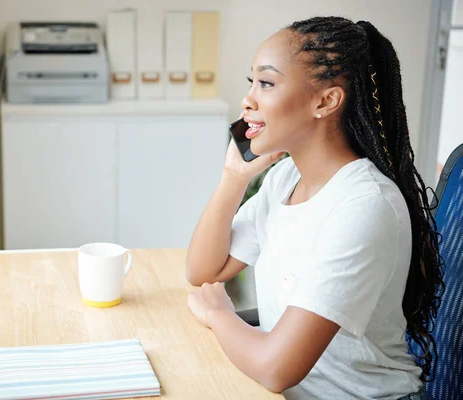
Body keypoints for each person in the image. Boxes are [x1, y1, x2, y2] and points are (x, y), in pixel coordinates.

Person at [185, 16, 443, 400]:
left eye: (266, 83)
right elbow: (204, 271)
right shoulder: (285, 178)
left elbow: (277, 370)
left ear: (326, 101)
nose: (248, 100)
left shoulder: (364, 206)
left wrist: (220, 315)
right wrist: (233, 177)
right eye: (251, 82)